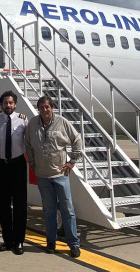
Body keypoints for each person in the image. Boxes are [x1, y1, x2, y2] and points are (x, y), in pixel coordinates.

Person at [24, 95, 83, 258]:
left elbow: (77, 139)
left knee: (68, 210)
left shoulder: (62, 122)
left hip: (60, 175)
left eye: (47, 107)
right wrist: (33, 164)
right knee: (49, 210)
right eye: (41, 107)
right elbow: (28, 144)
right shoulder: (33, 124)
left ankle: (73, 244)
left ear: (52, 108)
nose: (44, 110)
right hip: (42, 175)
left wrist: (72, 161)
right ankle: (51, 241)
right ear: (38, 109)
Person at [0, 90, 28, 255]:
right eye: (5, 103)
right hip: (1, 166)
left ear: (15, 104)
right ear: (1, 105)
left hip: (17, 165)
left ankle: (19, 241)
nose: (8, 105)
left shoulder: (23, 120)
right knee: (4, 205)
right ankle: (8, 240)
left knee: (20, 205)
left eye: (11, 102)